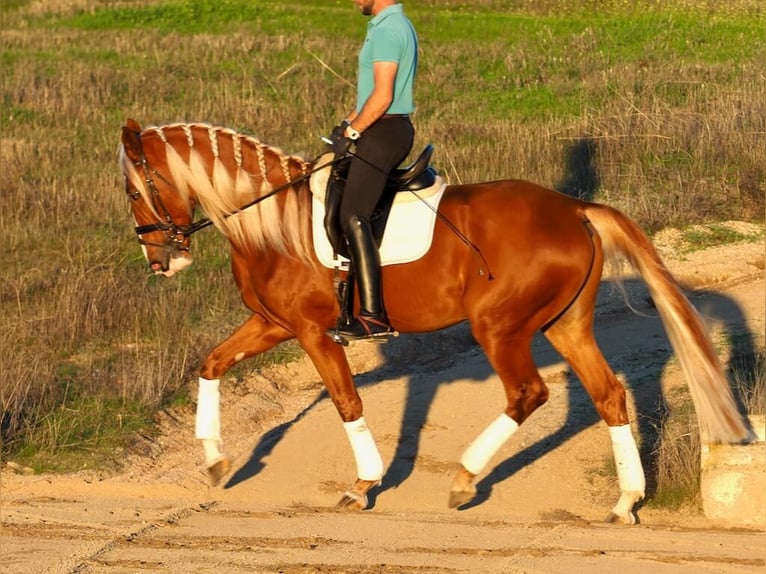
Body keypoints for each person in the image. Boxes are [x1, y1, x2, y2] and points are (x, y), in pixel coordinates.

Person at [326, 0, 418, 340]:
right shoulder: (385, 26)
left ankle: (373, 316)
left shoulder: (389, 29)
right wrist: (345, 125)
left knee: (353, 214)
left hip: (384, 131)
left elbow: (382, 96)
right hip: (378, 127)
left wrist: (353, 132)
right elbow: (368, 98)